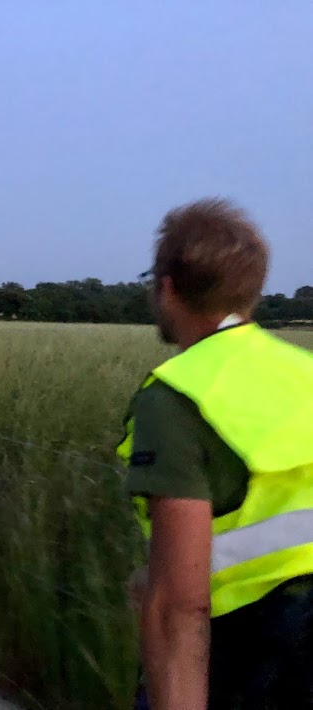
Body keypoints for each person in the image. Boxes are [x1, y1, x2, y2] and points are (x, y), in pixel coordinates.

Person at [117, 198, 313, 709]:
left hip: (255, 656)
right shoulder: (304, 371)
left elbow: (179, 608)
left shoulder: (177, 397)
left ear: (166, 288)